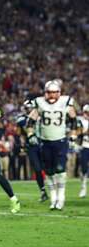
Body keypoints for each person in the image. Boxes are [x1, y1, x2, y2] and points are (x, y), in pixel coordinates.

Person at [27, 80, 78, 210]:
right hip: (45, 142)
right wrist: (30, 135)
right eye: (49, 93)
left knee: (60, 170)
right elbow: (30, 121)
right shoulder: (40, 103)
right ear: (45, 93)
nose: (52, 96)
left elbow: (73, 120)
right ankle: (53, 198)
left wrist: (73, 135)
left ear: (59, 93)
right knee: (49, 172)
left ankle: (61, 198)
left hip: (60, 141)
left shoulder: (65, 102)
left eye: (55, 93)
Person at [16, 100, 48, 202]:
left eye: (30, 108)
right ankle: (43, 191)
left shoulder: (41, 117)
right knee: (37, 169)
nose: (29, 110)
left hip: (43, 144)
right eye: (27, 108)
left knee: (49, 168)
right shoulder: (21, 120)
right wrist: (22, 145)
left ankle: (54, 189)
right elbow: (20, 134)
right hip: (31, 146)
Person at [78, 104, 89, 197]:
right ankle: (83, 187)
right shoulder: (81, 121)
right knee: (84, 168)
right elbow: (78, 133)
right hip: (84, 146)